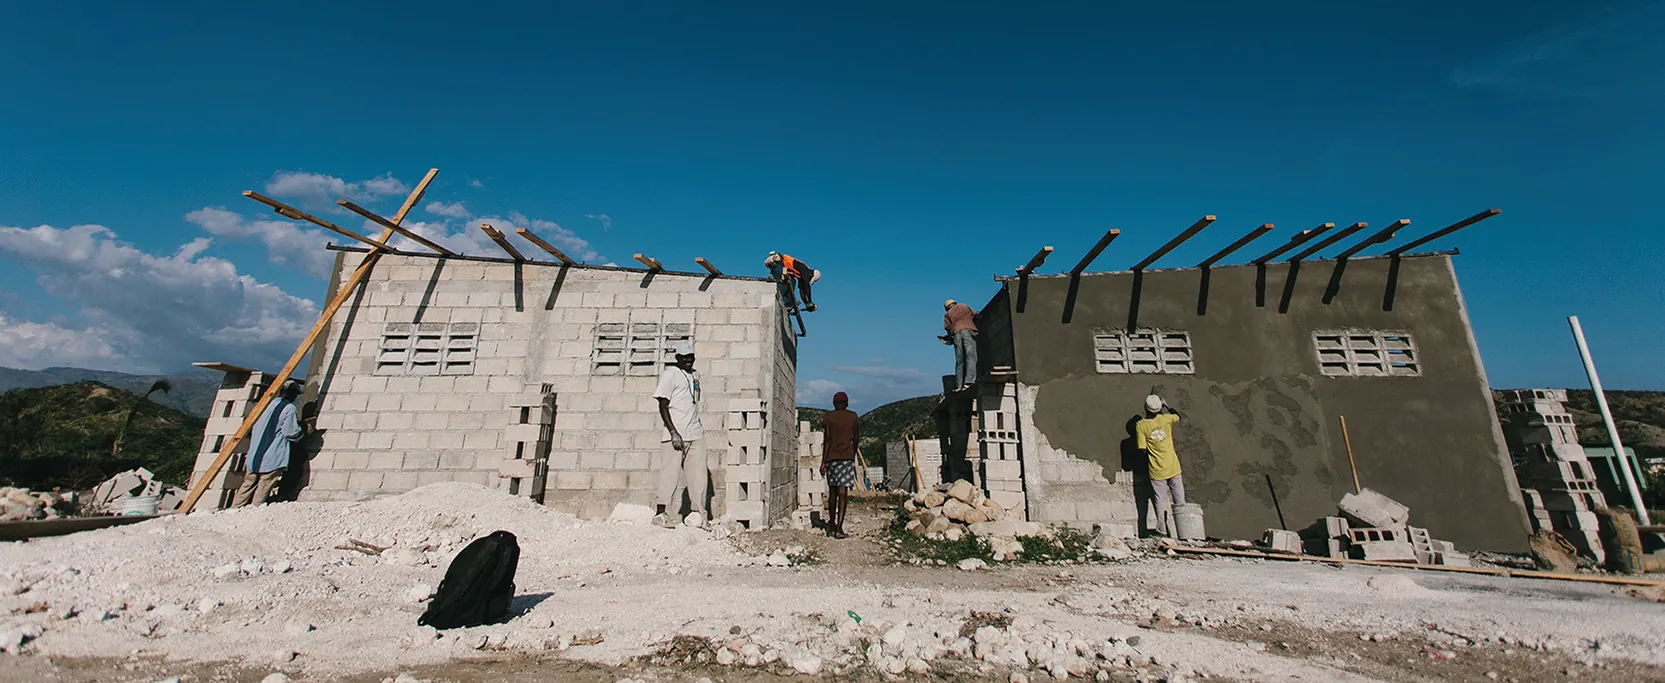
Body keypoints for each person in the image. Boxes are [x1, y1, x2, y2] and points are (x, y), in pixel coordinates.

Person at [652, 342, 708, 528]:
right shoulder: (670, 374)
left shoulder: (695, 375)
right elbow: (662, 404)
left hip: (695, 433)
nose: (688, 360)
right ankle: (660, 513)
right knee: (670, 473)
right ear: (677, 358)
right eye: (684, 357)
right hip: (675, 434)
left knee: (698, 475)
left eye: (690, 356)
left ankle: (698, 514)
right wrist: (673, 431)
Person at [232, 381, 306, 507]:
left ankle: (234, 510)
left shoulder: (265, 405)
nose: (295, 398)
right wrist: (303, 433)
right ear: (290, 394)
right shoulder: (288, 408)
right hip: (273, 456)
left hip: (255, 454)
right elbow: (290, 432)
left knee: (247, 485)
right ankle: (254, 511)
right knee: (264, 486)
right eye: (295, 395)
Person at [1136, 394, 1186, 537]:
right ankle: (1183, 531)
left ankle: (1162, 531)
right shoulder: (1166, 419)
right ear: (1159, 408)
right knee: (1180, 500)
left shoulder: (1141, 425)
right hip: (1173, 466)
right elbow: (1177, 415)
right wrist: (1166, 405)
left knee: (1160, 501)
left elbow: (1142, 449)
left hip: (1157, 469)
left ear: (1145, 408)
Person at [819, 392, 861, 539]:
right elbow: (856, 438)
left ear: (834, 403)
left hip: (831, 458)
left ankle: (831, 525)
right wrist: (853, 453)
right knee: (843, 493)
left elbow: (827, 439)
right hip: (846, 458)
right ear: (847, 403)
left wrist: (823, 462)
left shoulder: (828, 417)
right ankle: (839, 528)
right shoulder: (853, 416)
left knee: (833, 492)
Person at [941, 299, 978, 391]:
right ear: (954, 303)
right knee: (970, 356)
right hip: (967, 330)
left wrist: (949, 338)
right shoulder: (964, 306)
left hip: (956, 334)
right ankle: (968, 382)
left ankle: (959, 385)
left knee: (959, 360)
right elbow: (976, 315)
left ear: (946, 308)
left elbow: (948, 329)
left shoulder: (947, 314)